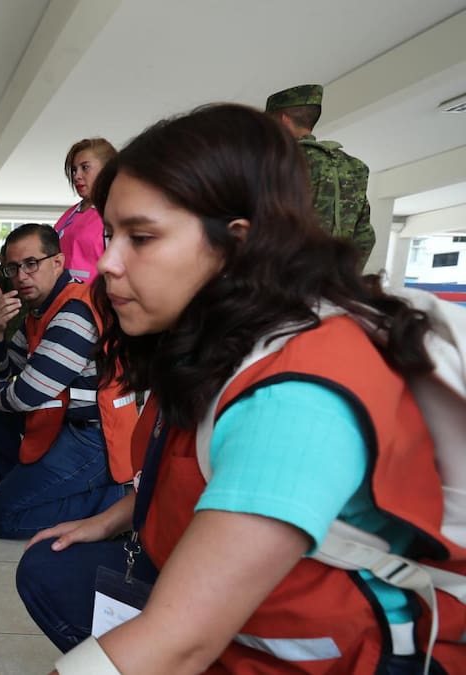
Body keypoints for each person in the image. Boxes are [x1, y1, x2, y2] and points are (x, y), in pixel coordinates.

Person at [34, 103, 464, 674]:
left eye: (140, 237)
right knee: (51, 567)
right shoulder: (218, 336)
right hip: (254, 619)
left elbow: (179, 641)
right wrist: (116, 518)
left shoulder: (297, 396)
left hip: (344, 656)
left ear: (235, 245)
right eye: (110, 233)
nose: (107, 262)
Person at [0, 223, 126, 540]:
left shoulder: (73, 312)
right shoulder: (42, 311)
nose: (21, 275)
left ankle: (113, 505)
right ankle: (17, 492)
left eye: (31, 264)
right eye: (13, 267)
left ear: (58, 262)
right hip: (59, 426)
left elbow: (25, 394)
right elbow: (4, 373)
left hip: (92, 440)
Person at [266, 84, 375, 269]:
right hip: (332, 282)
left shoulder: (280, 162)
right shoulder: (355, 167)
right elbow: (365, 237)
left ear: (283, 120)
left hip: (286, 280)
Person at [51, 138, 116, 283]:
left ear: (107, 169)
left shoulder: (115, 212)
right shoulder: (69, 215)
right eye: (74, 170)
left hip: (96, 300)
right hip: (63, 299)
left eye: (85, 167)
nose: (76, 176)